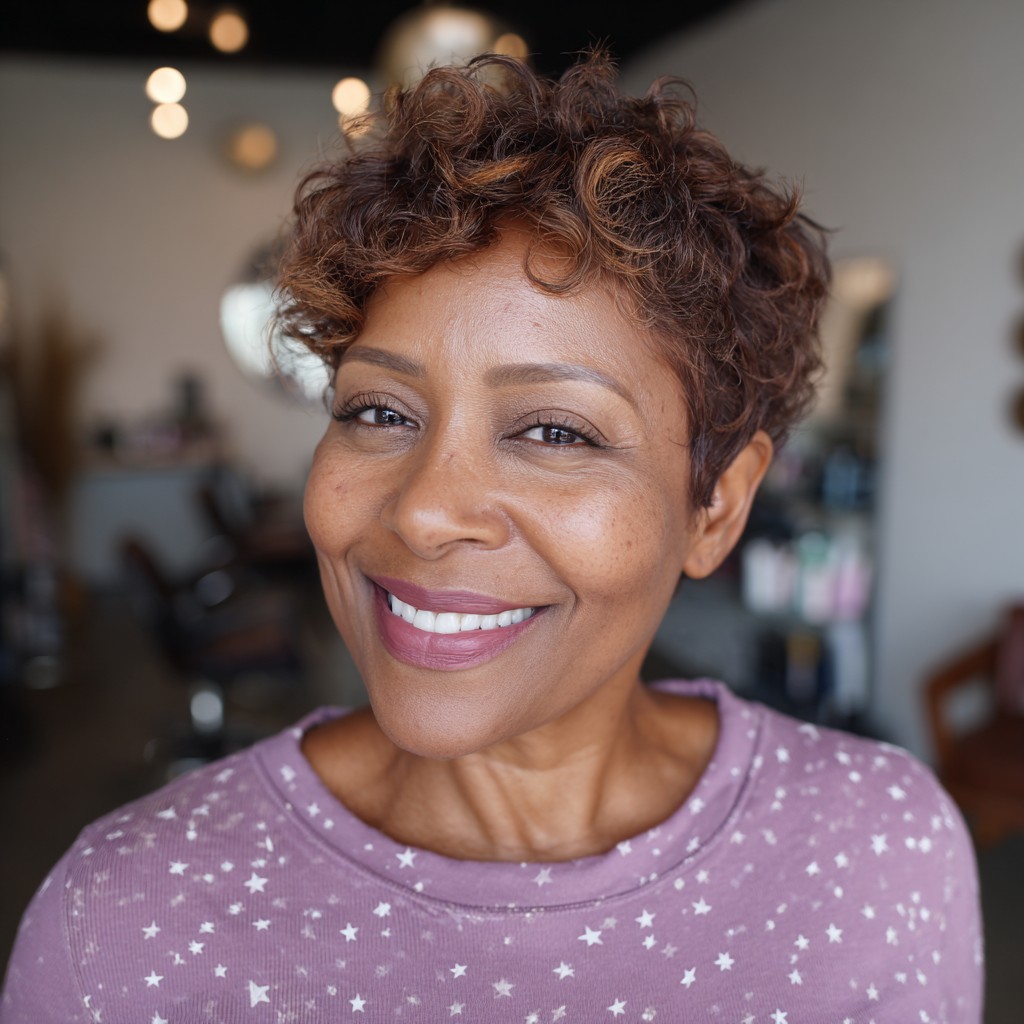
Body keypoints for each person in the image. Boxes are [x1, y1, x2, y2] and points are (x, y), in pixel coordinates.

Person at [1, 52, 982, 1023]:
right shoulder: (127, 922)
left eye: (553, 430)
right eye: (379, 411)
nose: (424, 510)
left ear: (715, 507)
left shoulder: (882, 848)